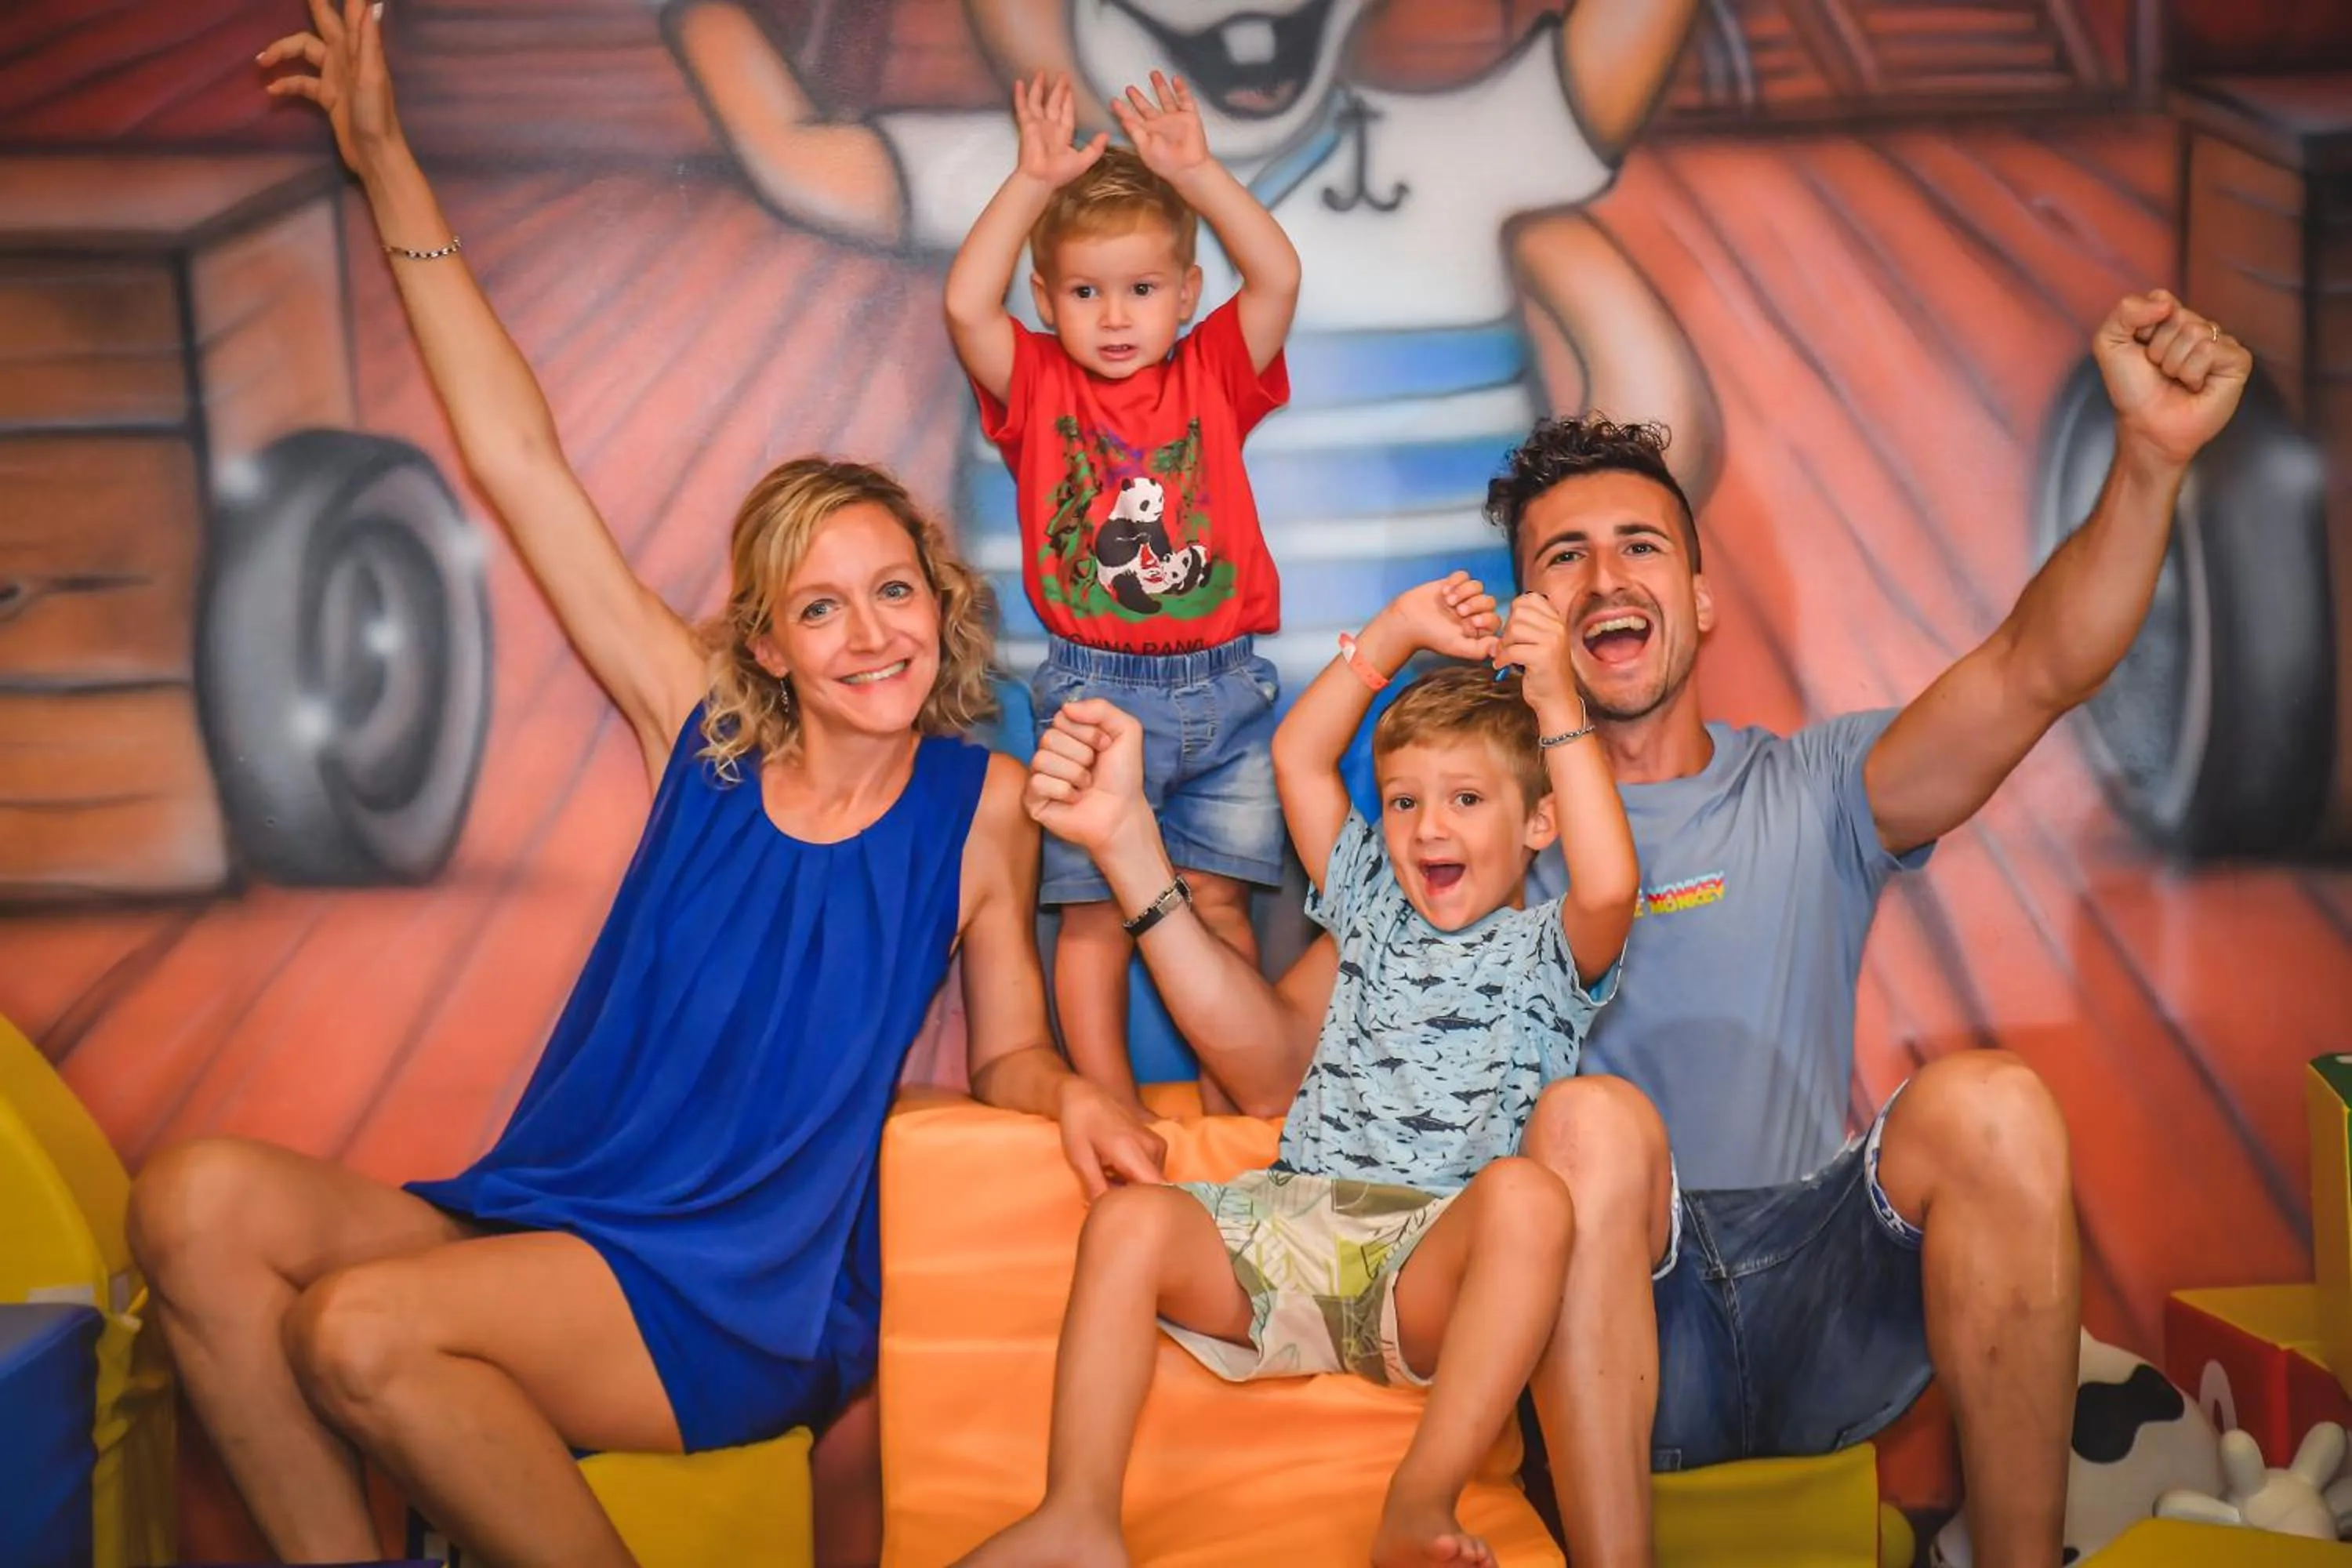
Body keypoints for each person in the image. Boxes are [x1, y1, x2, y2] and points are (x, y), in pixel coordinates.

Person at [123, 8, 1165, 1567]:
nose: (868, 631)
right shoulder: (704, 736)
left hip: (738, 1291)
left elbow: (1008, 1047)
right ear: (771, 640)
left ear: (943, 605)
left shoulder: (985, 802)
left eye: (894, 590)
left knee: (360, 1333)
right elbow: (522, 461)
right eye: (822, 606)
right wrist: (387, 159)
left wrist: (1076, 1095)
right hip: (551, 1222)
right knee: (194, 1201)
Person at [1022, 292, 2252, 1566]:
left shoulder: (1818, 786)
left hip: (1820, 1297)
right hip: (1606, 1315)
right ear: (1522, 633)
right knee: (1590, 1124)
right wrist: (1137, 871)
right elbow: (1280, 1062)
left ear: (1703, 600)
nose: (1605, 576)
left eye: (1641, 547)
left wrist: (2151, 462)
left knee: (1996, 1102)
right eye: (1563, 559)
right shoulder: (1466, 850)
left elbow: (2035, 668)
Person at [967, 574, 1637, 1567]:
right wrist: (1397, 632)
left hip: (1423, 1265)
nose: (1428, 827)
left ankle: (1418, 1500)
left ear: (1538, 824)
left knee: (1532, 1200)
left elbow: (1613, 879)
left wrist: (1556, 708)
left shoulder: (1549, 950)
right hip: (1286, 1228)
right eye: (1405, 799)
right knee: (1129, 1221)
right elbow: (1299, 752)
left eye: (1466, 799)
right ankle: (1079, 1515)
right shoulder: (1370, 898)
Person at [944, 67, 1303, 1114]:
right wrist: (1030, 181)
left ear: (1185, 296)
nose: (1113, 317)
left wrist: (1197, 175)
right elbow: (966, 300)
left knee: (1220, 908)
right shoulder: (1038, 384)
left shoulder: (1213, 372)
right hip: (1098, 692)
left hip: (1228, 689)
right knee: (1096, 914)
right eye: (1086, 293)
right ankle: (1108, 1106)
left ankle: (1231, 1102)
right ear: (1047, 301)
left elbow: (1276, 278)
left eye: (1142, 289)